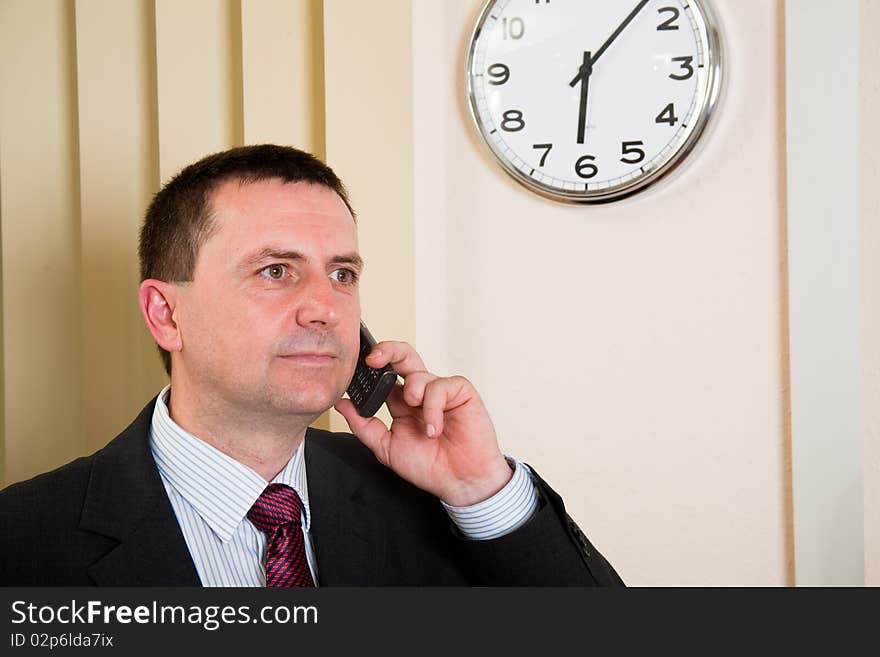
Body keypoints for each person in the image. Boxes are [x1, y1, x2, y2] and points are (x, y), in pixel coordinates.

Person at [0, 144, 623, 586]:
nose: (326, 309)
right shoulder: (22, 539)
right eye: (276, 271)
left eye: (343, 274)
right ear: (166, 314)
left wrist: (481, 491)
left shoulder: (432, 496)